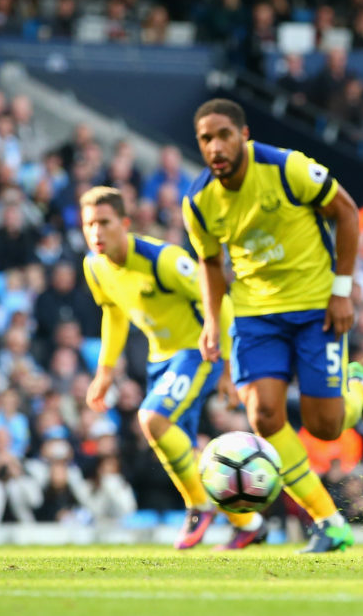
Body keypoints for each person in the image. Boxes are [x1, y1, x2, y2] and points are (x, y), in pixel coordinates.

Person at [182, 99, 363, 553]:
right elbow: (210, 263)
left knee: (327, 427)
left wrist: (341, 291)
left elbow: (348, 213)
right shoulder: (198, 201)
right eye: (205, 139)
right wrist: (213, 323)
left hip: (317, 308)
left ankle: (358, 388)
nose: (215, 146)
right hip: (256, 316)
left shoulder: (286, 168)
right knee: (264, 416)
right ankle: (328, 522)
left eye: (223, 135)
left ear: (244, 135)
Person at [79, 186, 262, 550]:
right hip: (159, 359)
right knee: (178, 447)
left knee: (151, 419)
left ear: (125, 224)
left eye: (104, 222)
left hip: (197, 352)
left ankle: (197, 506)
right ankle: (249, 522)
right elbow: (113, 314)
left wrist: (228, 367)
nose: (96, 232)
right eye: (89, 224)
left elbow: (219, 302)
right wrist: (105, 371)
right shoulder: (94, 266)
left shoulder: (163, 259)